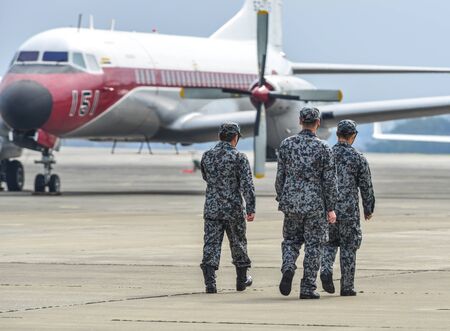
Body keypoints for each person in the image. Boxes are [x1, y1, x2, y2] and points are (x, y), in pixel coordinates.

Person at [276, 106, 337, 299]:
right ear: (318, 122)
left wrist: (282, 197)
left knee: (291, 241)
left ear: (300, 121)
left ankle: (287, 266)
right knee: (314, 245)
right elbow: (329, 181)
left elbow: (280, 176)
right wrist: (331, 207)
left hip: (291, 202)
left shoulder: (286, 144)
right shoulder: (324, 147)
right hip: (315, 205)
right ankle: (307, 287)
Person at [320, 119, 375, 296]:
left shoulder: (326, 154)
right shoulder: (358, 158)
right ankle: (347, 287)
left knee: (329, 244)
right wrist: (368, 207)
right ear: (353, 136)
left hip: (328, 209)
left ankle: (325, 269)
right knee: (349, 247)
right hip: (349, 211)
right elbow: (366, 185)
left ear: (337, 135)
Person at [200, 122, 255, 294]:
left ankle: (210, 283)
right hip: (234, 209)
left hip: (212, 208)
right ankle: (241, 280)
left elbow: (205, 177)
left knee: (211, 244)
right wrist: (251, 208)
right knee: (238, 243)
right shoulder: (239, 157)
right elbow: (247, 186)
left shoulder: (207, 156)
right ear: (235, 137)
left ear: (219, 136)